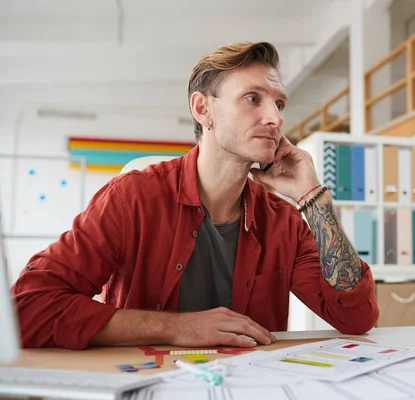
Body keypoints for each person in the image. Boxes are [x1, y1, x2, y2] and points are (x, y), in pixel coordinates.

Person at [11, 42, 379, 350]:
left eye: (279, 104)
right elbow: (26, 308)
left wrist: (314, 198)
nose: (275, 118)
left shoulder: (283, 222)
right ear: (203, 109)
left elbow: (356, 317)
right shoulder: (131, 199)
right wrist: (178, 328)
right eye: (253, 98)